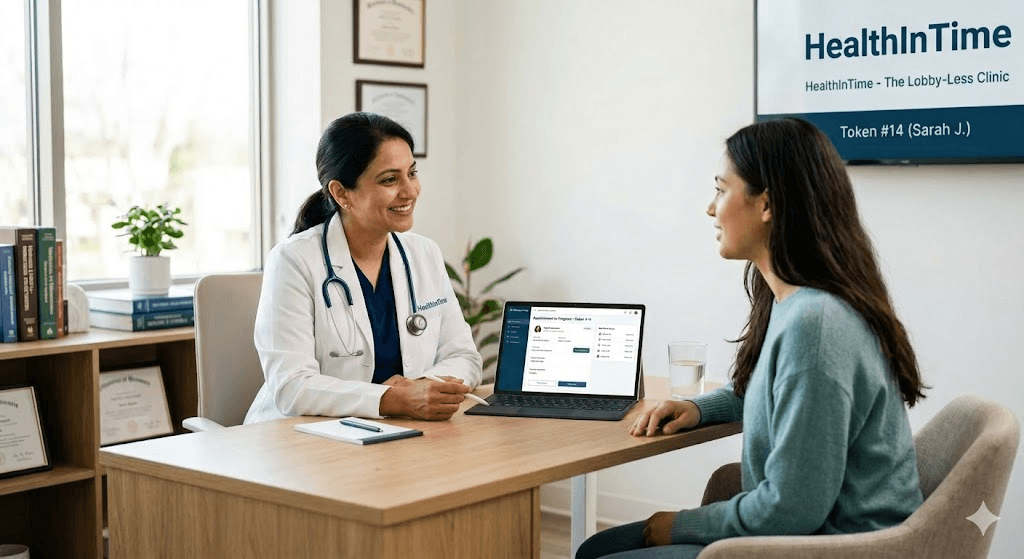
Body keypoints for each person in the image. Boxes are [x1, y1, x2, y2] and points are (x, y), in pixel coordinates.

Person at [576, 118, 927, 559]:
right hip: (808, 534)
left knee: (601, 555)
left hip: (830, 548)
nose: (710, 208)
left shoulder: (814, 326)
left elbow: (793, 509)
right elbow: (782, 395)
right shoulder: (798, 305)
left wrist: (682, 525)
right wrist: (698, 408)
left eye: (721, 189)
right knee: (598, 547)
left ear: (767, 205)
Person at [244, 112, 481, 424]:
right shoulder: (293, 260)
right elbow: (292, 387)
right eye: (390, 180)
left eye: (411, 173)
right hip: (302, 438)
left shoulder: (424, 254)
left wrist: (417, 389)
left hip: (397, 433)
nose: (409, 191)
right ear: (342, 193)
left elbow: (464, 357)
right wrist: (391, 399)